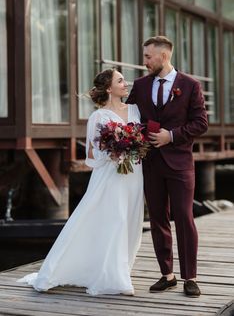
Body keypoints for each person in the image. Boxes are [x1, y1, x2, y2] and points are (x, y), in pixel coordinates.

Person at [18, 68, 144, 296]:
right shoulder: (98, 117)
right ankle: (114, 279)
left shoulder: (135, 110)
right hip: (110, 177)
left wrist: (131, 147)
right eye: (120, 80)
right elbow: (92, 154)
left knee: (130, 222)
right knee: (114, 220)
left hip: (134, 175)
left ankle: (120, 269)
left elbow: (142, 139)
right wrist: (114, 153)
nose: (126, 83)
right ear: (109, 88)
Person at [127, 36, 208, 297]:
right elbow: (129, 117)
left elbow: (200, 123)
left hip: (180, 163)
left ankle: (190, 277)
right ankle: (167, 274)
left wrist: (170, 136)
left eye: (148, 57)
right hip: (150, 163)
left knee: (184, 217)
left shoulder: (190, 85)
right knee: (158, 219)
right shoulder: (139, 86)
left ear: (164, 56)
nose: (145, 61)